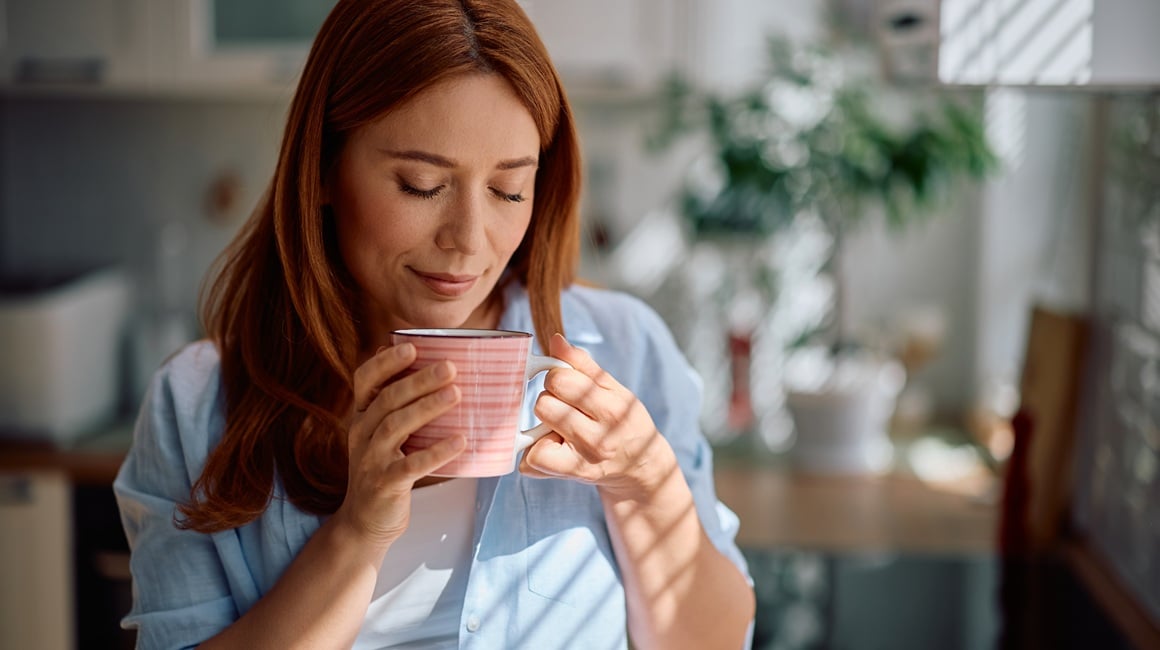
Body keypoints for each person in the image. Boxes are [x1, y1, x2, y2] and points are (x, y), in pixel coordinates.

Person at [113, 0, 756, 648]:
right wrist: (358, 532)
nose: (469, 241)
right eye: (421, 185)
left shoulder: (624, 349)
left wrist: (648, 488)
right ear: (325, 168)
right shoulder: (195, 407)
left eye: (509, 191)